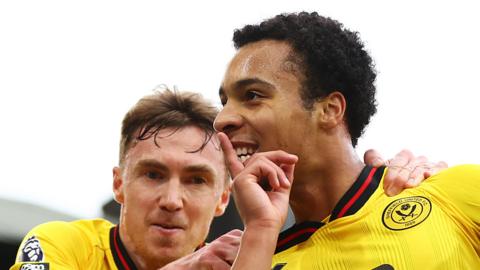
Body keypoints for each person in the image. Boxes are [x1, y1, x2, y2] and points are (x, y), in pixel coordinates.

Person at [10, 87, 442, 270]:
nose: (172, 200)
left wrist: (421, 192)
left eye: (196, 180)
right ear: (119, 184)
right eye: (153, 174)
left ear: (222, 200)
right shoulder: (60, 244)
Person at [214, 12, 479, 269]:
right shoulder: (249, 258)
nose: (221, 119)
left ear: (330, 110)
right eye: (224, 102)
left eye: (252, 95)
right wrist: (259, 231)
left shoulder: (447, 193)